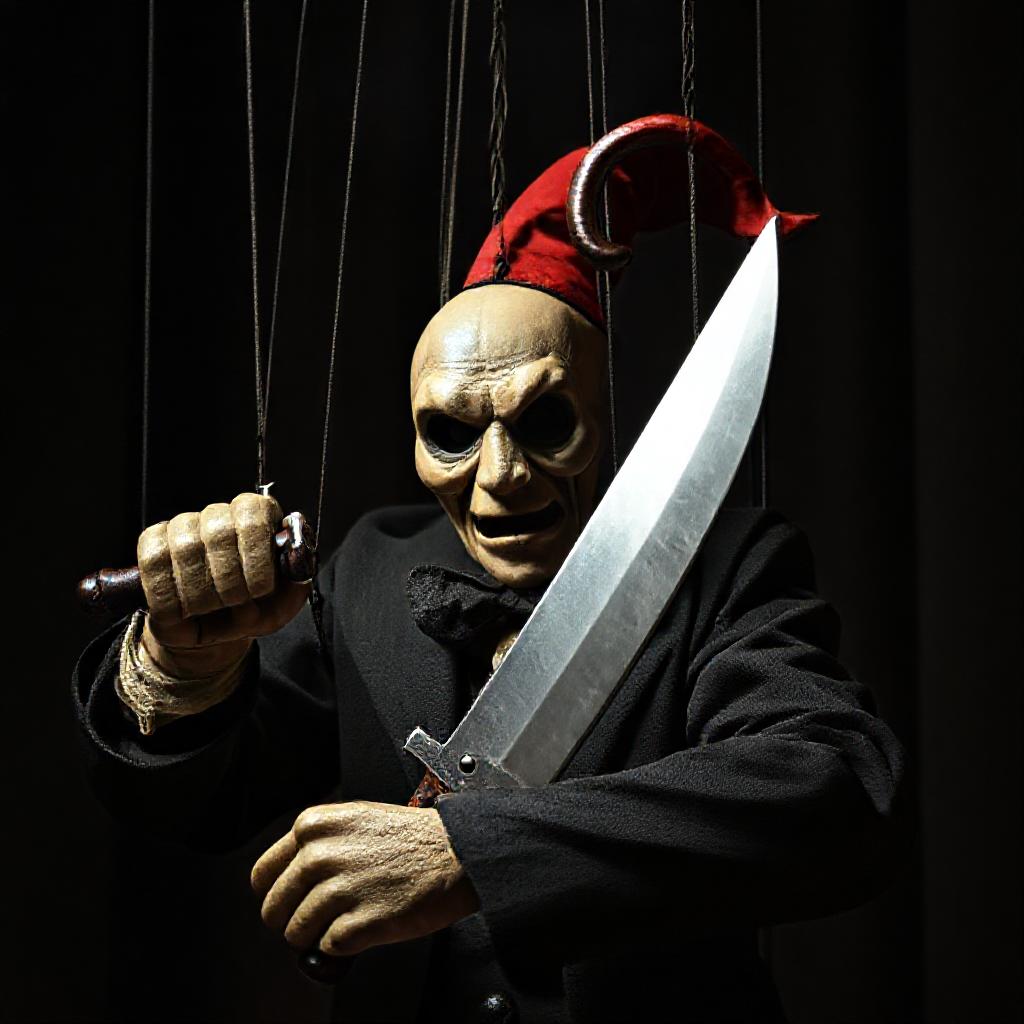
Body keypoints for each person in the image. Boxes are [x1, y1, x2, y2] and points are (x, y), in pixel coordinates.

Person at [73, 116, 904, 1023]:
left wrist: (471, 853)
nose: (501, 475)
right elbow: (193, 804)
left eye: (545, 423)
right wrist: (184, 664)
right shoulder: (368, 570)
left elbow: (835, 794)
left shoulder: (730, 566)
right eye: (453, 434)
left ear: (604, 416)